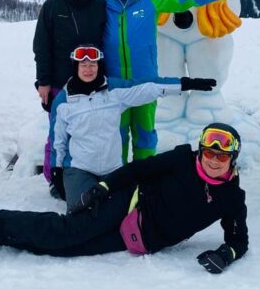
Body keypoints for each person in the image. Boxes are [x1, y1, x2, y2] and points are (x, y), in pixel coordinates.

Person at [0, 123, 247, 275]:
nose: (213, 161)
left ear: (232, 160)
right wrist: (105, 187)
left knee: (68, 249)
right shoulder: (182, 159)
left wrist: (226, 255)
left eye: (221, 156)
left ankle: (2, 233)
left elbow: (239, 240)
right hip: (128, 202)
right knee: (67, 232)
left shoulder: (232, 197)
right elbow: (138, 169)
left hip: (140, 237)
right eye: (209, 153)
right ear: (200, 151)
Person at [100, 0, 248, 162]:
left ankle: (145, 177)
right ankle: (118, 177)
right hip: (114, 86)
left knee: (145, 136)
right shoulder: (103, 0)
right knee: (116, 137)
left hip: (145, 83)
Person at [50, 44, 216, 211]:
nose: (88, 69)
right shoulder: (63, 101)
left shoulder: (114, 90)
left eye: (93, 64)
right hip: (80, 169)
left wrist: (184, 83)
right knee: (80, 213)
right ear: (76, 67)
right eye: (83, 65)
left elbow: (149, 87)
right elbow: (58, 141)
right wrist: (56, 170)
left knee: (122, 213)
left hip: (113, 169)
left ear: (99, 66)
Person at [33, 0, 106, 199]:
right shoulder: (53, 6)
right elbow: (41, 46)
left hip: (91, 81)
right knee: (58, 134)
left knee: (86, 131)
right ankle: (55, 177)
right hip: (59, 82)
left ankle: (82, 174)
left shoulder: (98, 7)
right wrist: (43, 82)